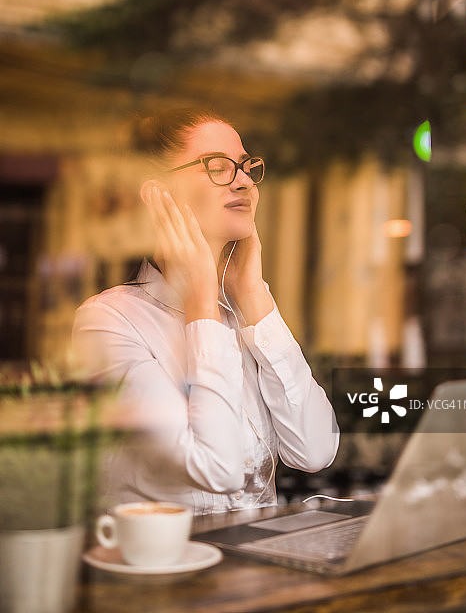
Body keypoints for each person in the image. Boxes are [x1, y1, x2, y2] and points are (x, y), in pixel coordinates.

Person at [72, 108, 339, 514]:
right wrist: (200, 303)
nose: (245, 181)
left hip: (256, 569)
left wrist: (253, 297)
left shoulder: (241, 311)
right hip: (167, 572)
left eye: (247, 166)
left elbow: (315, 451)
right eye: (218, 167)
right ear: (157, 194)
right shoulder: (108, 321)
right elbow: (216, 469)